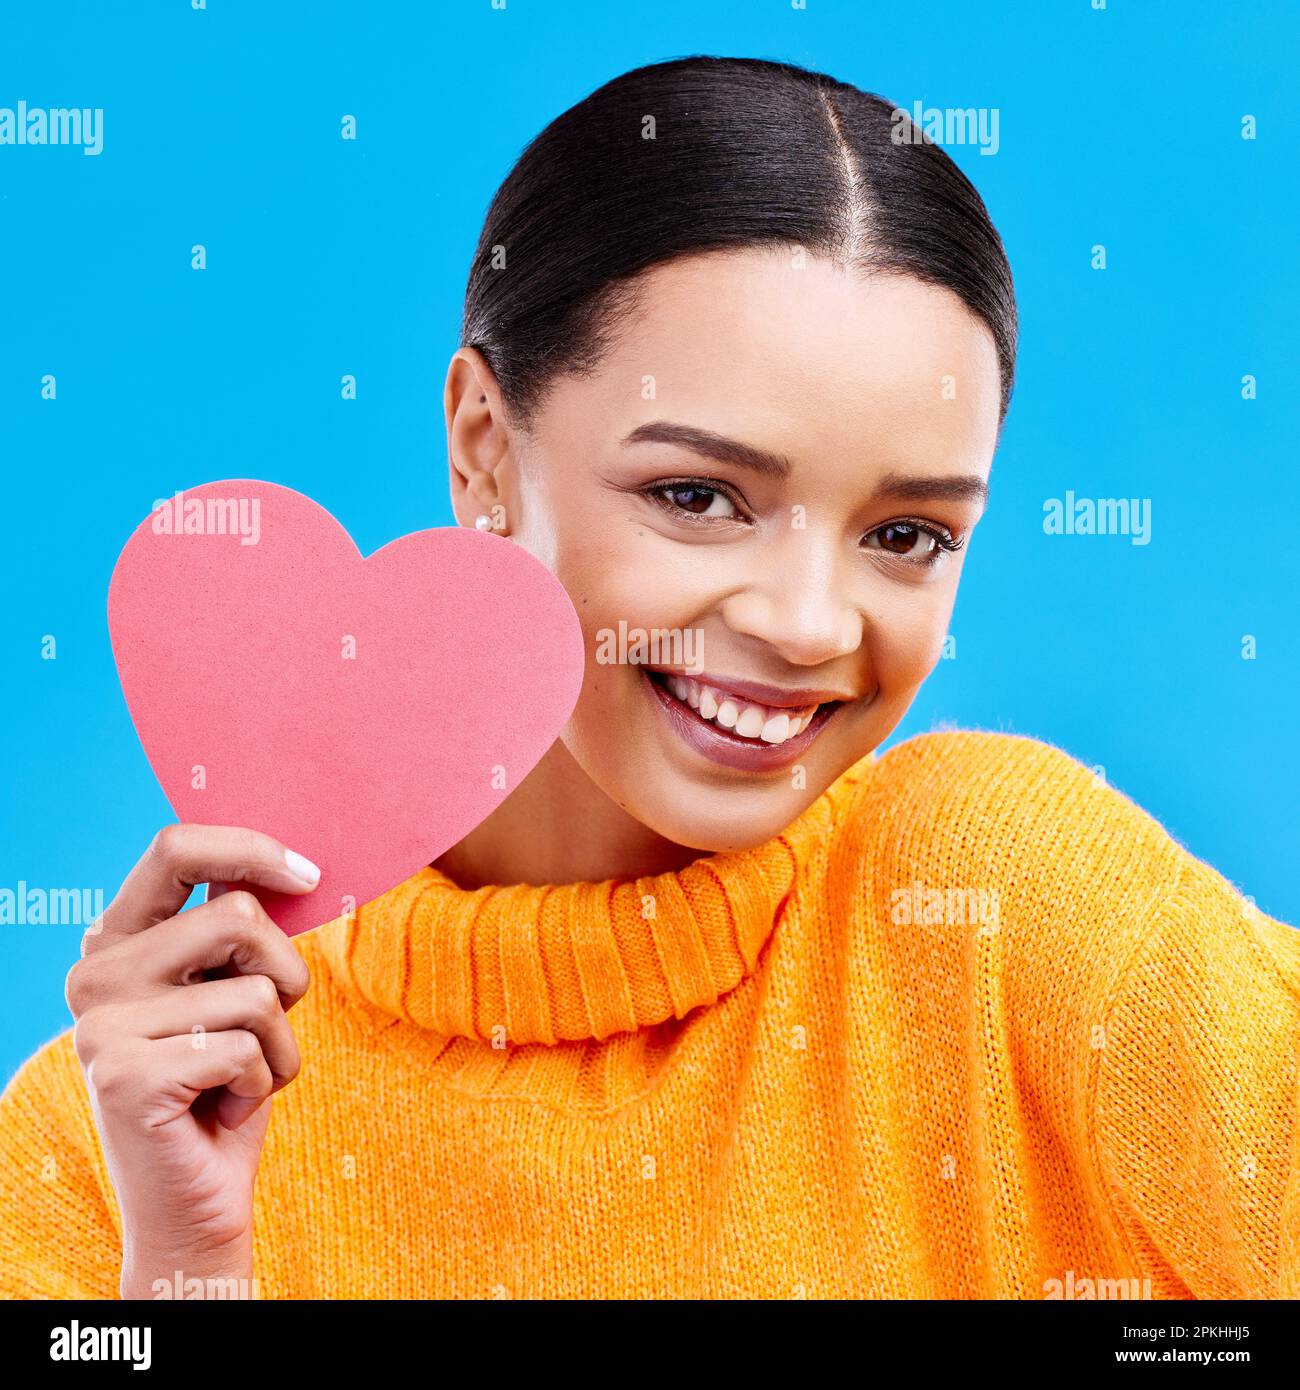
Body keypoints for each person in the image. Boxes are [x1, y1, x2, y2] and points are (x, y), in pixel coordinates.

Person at [2, 54, 1297, 1301]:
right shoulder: (114, 1129)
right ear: (483, 453)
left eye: (907, 534)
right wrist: (183, 1273)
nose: (802, 624)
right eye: (698, 495)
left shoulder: (1012, 904)